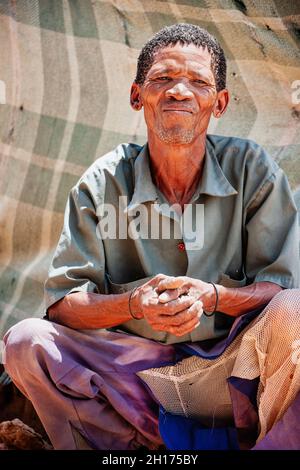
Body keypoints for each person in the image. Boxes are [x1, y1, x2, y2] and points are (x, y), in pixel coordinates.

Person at [3, 23, 300, 450]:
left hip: (235, 377)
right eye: (162, 79)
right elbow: (63, 306)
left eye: (198, 82)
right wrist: (133, 303)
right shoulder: (102, 183)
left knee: (295, 310)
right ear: (136, 95)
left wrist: (214, 296)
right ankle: (133, 453)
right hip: (136, 379)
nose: (179, 91)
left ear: (219, 104)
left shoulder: (252, 170)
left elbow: (282, 286)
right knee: (27, 342)